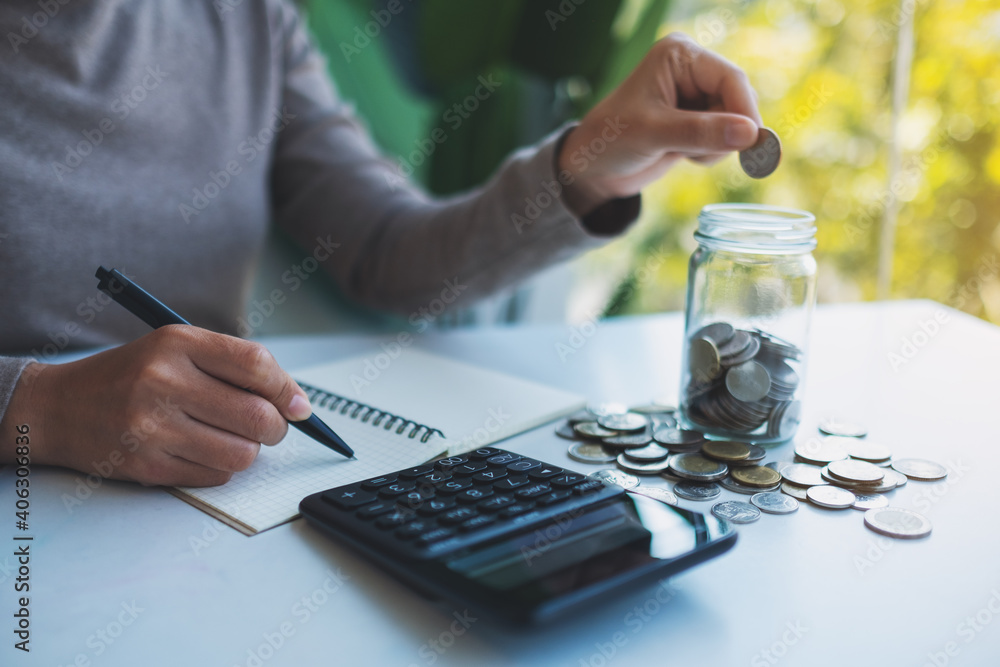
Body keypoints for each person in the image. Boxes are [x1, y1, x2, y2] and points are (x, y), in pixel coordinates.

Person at [0, 1, 763, 486]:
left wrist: (589, 165)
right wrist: (40, 406)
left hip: (206, 509)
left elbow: (384, 249)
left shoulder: (246, 19)